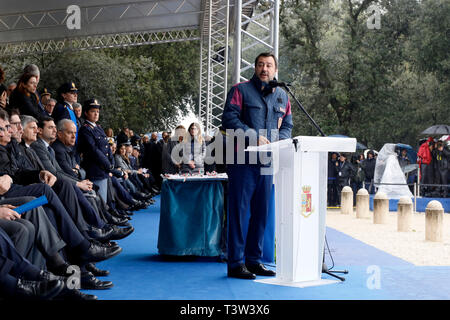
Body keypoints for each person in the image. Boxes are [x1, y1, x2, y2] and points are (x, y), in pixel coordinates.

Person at [221, 52, 293, 279]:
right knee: (240, 213)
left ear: (275, 70)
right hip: (242, 161)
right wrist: (252, 136)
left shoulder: (283, 96)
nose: (265, 69)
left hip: (267, 163)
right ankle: (235, 264)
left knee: (261, 213)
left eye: (269, 65)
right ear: (255, 67)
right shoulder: (240, 90)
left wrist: (279, 140)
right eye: (261, 64)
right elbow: (229, 119)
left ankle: (254, 261)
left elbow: (287, 126)